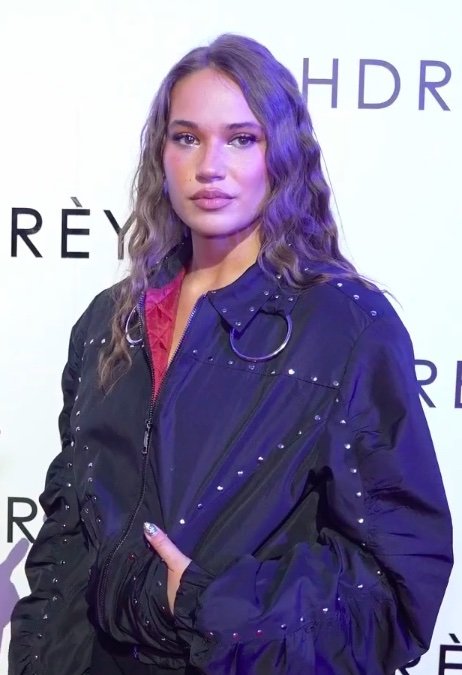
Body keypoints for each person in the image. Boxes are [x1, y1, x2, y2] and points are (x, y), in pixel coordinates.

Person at [9, 33, 452, 675]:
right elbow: (67, 533)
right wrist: (33, 658)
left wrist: (207, 602)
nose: (209, 165)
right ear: (161, 154)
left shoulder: (346, 327)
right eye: (187, 137)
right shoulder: (110, 321)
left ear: (284, 155)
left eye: (241, 139)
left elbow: (396, 581)